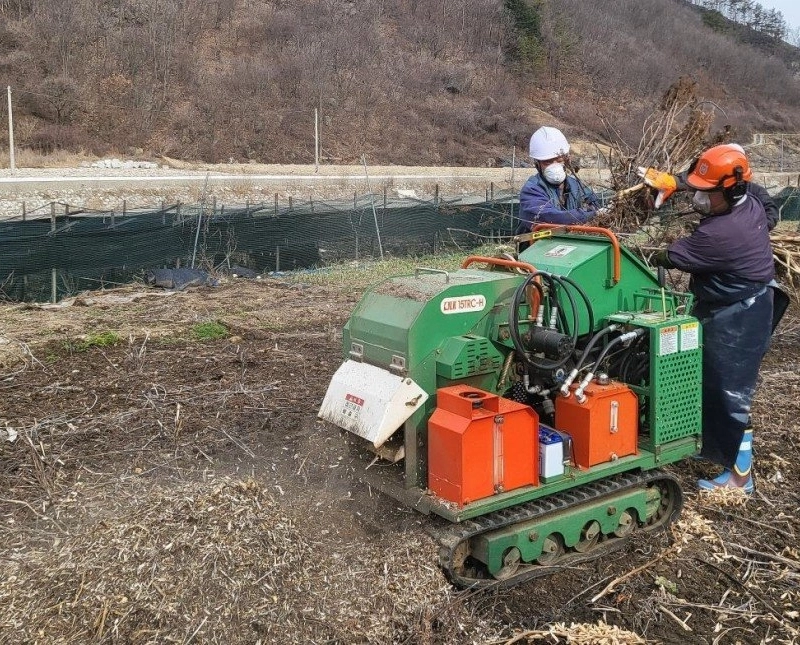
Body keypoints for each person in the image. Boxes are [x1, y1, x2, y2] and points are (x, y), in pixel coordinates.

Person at [641, 144, 787, 493]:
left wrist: (645, 251)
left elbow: (665, 256)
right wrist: (676, 181)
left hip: (739, 316)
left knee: (730, 392)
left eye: (708, 195)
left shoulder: (718, 235)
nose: (700, 201)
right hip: (742, 301)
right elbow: (759, 194)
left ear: (730, 190)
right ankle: (715, 448)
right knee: (709, 381)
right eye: (699, 191)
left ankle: (740, 479)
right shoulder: (751, 203)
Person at [516, 126, 602, 235]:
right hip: (537, 246)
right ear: (537, 164)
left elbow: (596, 207)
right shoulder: (532, 190)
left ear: (567, 160)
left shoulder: (577, 186)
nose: (554, 166)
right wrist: (588, 214)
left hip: (574, 243)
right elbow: (549, 218)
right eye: (547, 162)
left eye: (559, 160)